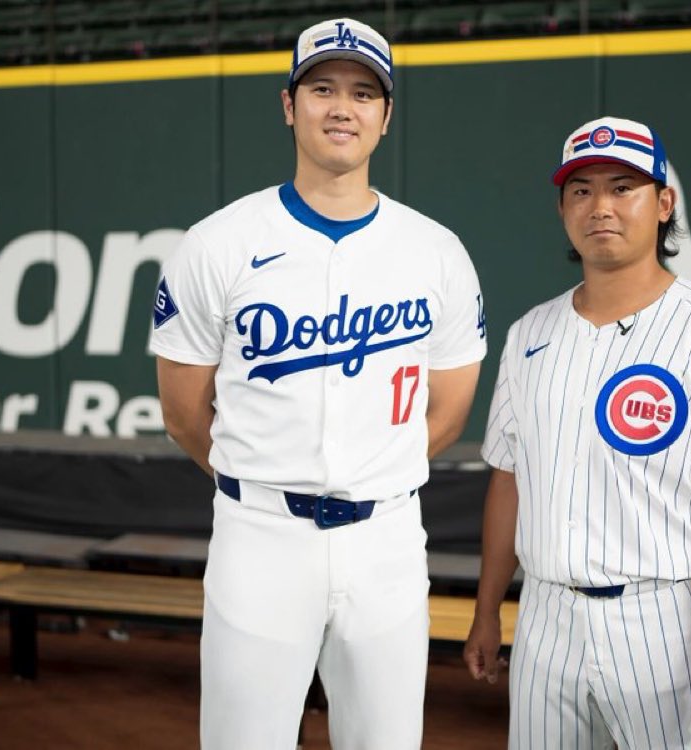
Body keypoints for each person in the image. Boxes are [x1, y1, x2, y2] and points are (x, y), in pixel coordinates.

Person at [150, 18, 486, 749]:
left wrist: (375, 472)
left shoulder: (436, 252)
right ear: (287, 104)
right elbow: (182, 414)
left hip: (387, 537)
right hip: (260, 536)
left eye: (363, 93)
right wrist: (268, 478)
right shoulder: (217, 243)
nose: (342, 107)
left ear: (386, 116)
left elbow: (450, 410)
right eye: (322, 88)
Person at [463, 116, 691, 749]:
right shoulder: (528, 335)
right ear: (563, 208)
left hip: (665, 621)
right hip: (545, 618)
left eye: (624, 186)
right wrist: (488, 610)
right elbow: (509, 481)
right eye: (582, 189)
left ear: (664, 203)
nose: (601, 205)